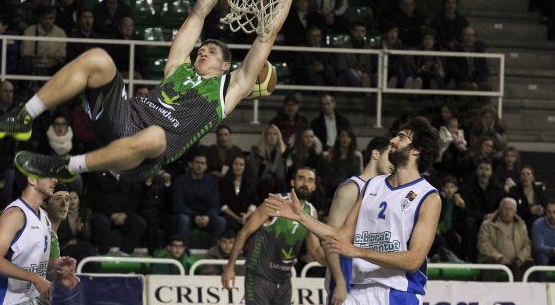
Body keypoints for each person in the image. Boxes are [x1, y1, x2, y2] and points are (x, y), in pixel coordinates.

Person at [0, 0, 302, 182]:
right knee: (98, 58)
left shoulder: (227, 93)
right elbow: (199, 12)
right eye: (203, 48)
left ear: (225, 67)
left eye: (212, 52)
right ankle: (24, 115)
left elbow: (265, 37)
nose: (203, 51)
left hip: (145, 155)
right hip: (122, 118)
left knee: (156, 136)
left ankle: (68, 166)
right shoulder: (178, 67)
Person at [265, 116, 442, 304]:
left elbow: (413, 260)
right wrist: (301, 217)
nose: (392, 140)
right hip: (360, 289)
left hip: (398, 291)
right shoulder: (373, 184)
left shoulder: (428, 196)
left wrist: (358, 251)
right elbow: (341, 235)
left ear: (416, 150)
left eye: (401, 137)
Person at [221, 166, 322, 305]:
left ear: (314, 187)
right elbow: (244, 232)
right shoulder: (276, 202)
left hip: (284, 279)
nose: (305, 183)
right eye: (301, 178)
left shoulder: (311, 212)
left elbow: (315, 249)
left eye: (310, 180)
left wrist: (336, 269)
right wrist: (230, 267)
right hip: (259, 275)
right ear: (292, 182)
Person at [0, 174, 78, 304]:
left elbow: (27, 263)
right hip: (2, 300)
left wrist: (56, 265)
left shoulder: (43, 217)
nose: (54, 180)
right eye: (48, 176)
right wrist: (35, 278)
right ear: (31, 180)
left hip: (27, 300)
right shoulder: (15, 214)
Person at [321, 136, 392, 305]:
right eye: (390, 156)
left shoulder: (385, 192)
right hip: (346, 276)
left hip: (371, 279)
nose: (394, 163)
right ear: (375, 154)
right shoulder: (351, 189)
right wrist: (339, 282)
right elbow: (330, 239)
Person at [172, 152, 226, 247]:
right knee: (183, 219)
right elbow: (179, 205)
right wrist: (194, 216)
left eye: (202, 163)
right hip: (189, 216)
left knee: (221, 221)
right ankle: (184, 254)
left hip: (206, 218)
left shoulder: (211, 182)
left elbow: (215, 205)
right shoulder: (180, 181)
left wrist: (208, 217)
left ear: (206, 166)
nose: (199, 166)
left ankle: (213, 255)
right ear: (191, 164)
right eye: (197, 162)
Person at [477, 197, 533, 281]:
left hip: (516, 262)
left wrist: (520, 258)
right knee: (490, 264)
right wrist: (499, 257)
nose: (508, 212)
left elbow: (527, 245)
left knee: (530, 265)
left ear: (515, 212)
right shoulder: (487, 224)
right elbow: (483, 245)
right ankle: (490, 293)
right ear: (499, 210)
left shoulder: (521, 225)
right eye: (505, 208)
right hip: (495, 260)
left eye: (511, 209)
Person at [532, 199, 555, 266]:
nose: (552, 215)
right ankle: (542, 277)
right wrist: (551, 250)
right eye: (549, 212)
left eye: (554, 212)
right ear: (545, 212)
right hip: (543, 256)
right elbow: (538, 246)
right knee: (541, 255)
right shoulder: (538, 224)